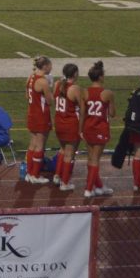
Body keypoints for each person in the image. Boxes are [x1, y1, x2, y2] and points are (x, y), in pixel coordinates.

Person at [81, 61, 115, 198]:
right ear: (100, 76)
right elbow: (112, 113)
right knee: (95, 159)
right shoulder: (107, 93)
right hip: (100, 128)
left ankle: (98, 186)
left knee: (90, 158)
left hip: (87, 128)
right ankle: (88, 189)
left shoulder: (84, 92)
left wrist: (80, 130)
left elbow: (82, 114)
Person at [23, 55, 53, 184]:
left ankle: (29, 173)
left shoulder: (30, 77)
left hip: (31, 114)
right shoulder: (43, 81)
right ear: (45, 66)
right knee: (40, 146)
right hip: (41, 116)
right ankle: (35, 175)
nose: (51, 67)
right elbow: (50, 101)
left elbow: (26, 95)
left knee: (33, 144)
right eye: (50, 65)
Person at [52, 63, 82, 192]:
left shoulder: (57, 84)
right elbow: (82, 107)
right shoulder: (75, 88)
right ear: (75, 74)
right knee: (69, 154)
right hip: (70, 124)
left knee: (62, 150)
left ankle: (57, 176)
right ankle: (65, 182)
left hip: (59, 122)